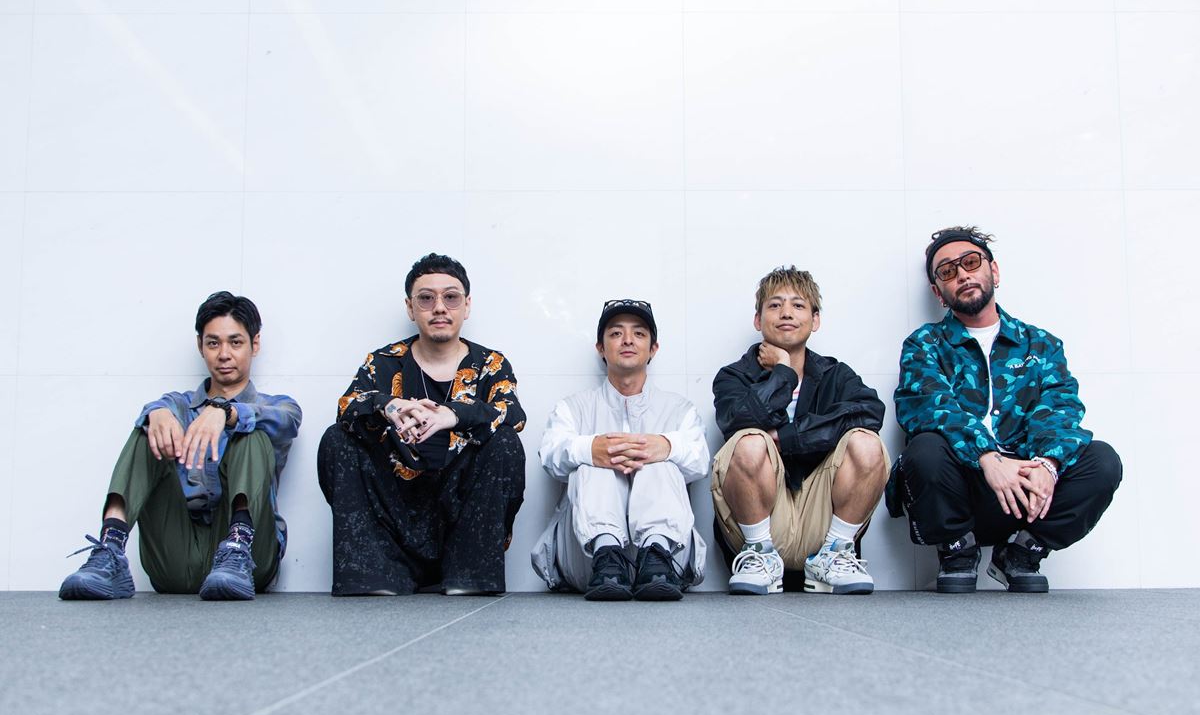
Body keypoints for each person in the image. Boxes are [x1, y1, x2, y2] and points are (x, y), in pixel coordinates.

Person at [888, 226, 1123, 592]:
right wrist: (987, 457)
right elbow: (928, 407)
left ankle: (1020, 554)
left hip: (1028, 493)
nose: (962, 274)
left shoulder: (1040, 344)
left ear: (993, 271)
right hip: (960, 488)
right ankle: (956, 552)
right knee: (925, 447)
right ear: (938, 292)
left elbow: (1060, 409)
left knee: (1102, 460)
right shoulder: (925, 344)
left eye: (971, 262)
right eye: (947, 271)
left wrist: (1048, 464)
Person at [59, 292, 302, 601]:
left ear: (255, 344)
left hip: (251, 563)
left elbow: (287, 421)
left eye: (235, 342)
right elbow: (157, 411)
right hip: (176, 558)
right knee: (149, 427)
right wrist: (156, 413)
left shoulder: (278, 405)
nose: (224, 354)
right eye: (213, 343)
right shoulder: (177, 405)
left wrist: (226, 413)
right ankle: (110, 549)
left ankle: (237, 546)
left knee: (252, 433)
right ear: (200, 346)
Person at [319, 253, 526, 596]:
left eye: (451, 297)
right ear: (410, 308)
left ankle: (468, 576)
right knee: (336, 439)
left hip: (463, 521)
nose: (439, 308)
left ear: (467, 306)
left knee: (505, 442)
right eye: (426, 298)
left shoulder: (490, 363)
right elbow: (347, 408)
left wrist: (454, 414)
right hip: (395, 517)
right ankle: (374, 575)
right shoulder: (384, 362)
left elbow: (512, 413)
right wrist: (386, 405)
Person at [711, 267, 888, 595]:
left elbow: (869, 411)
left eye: (798, 305)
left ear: (815, 320)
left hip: (823, 521)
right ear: (758, 320)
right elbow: (738, 420)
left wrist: (789, 438)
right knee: (749, 441)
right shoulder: (734, 376)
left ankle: (834, 555)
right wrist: (783, 372)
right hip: (761, 520)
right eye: (775, 305)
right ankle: (760, 555)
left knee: (867, 442)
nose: (786, 313)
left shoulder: (835, 374)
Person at [531, 299, 710, 601]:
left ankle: (656, 553)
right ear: (601, 348)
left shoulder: (680, 410)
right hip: (587, 561)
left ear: (653, 349)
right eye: (616, 333)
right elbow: (550, 455)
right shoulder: (573, 408)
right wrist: (593, 449)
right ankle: (607, 553)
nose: (627, 340)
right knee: (592, 456)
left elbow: (701, 461)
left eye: (639, 333)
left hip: (669, 563)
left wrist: (664, 446)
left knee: (659, 456)